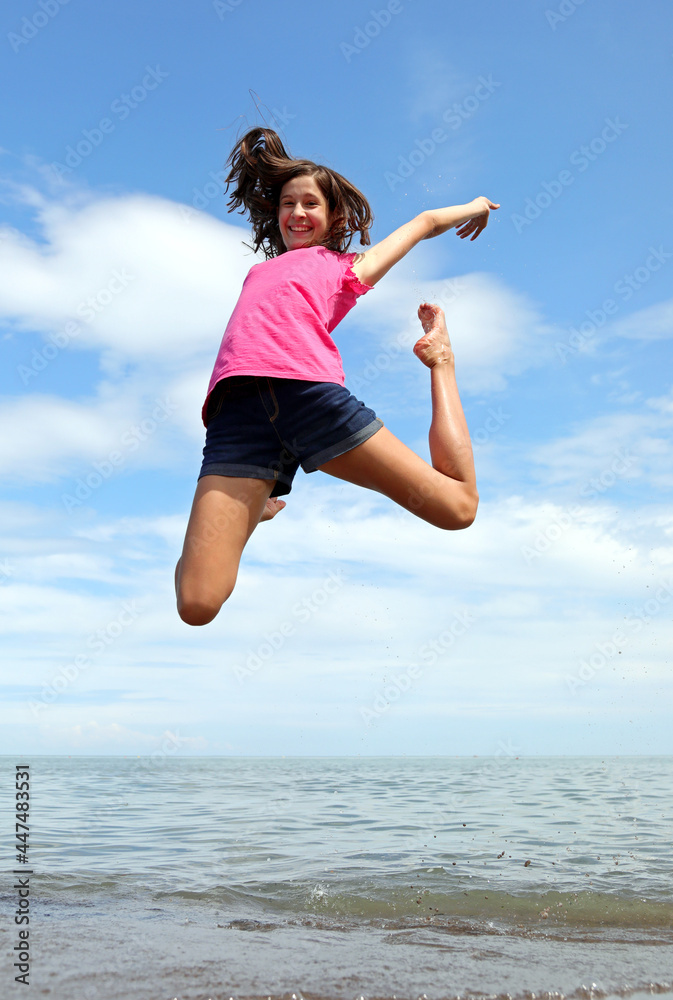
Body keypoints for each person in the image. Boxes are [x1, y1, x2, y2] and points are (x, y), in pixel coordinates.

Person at [176, 127, 499, 626]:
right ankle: (256, 500)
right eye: (288, 203)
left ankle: (443, 362)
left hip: (310, 398)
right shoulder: (259, 271)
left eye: (311, 204)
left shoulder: (348, 268)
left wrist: (476, 204)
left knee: (457, 508)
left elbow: (427, 221)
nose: (298, 214)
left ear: (333, 219)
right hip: (235, 414)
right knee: (197, 605)